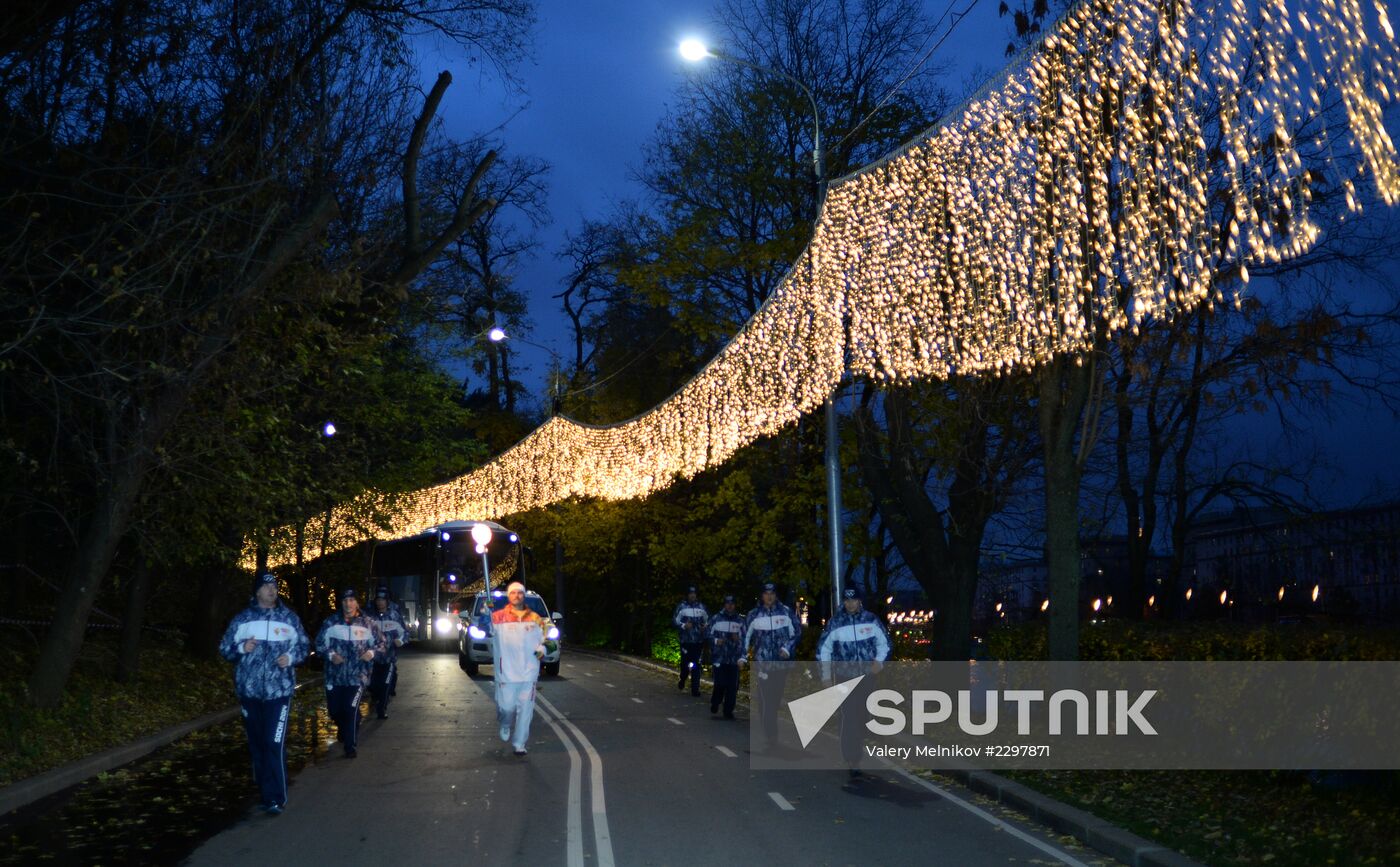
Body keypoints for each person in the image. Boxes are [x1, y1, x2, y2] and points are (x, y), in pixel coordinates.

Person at [218, 572, 309, 815]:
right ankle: (265, 792)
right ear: (257, 591)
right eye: (267, 586)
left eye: (274, 586)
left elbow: (303, 647)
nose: (272, 590)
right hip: (249, 692)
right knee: (258, 744)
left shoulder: (289, 618)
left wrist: (290, 658)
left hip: (278, 692)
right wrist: (241, 648)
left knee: (273, 742)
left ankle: (276, 797)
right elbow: (225, 649)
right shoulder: (243, 620)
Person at [816, 584, 891, 778]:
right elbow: (824, 650)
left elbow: (885, 644)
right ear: (844, 601)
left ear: (860, 601)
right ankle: (852, 759)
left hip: (867, 676)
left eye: (854, 600)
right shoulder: (835, 623)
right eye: (847, 600)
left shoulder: (871, 620)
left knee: (861, 716)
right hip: (844, 677)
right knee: (849, 715)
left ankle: (854, 748)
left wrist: (879, 663)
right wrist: (825, 676)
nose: (850, 604)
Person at [315, 588, 383, 758]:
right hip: (334, 676)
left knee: (350, 709)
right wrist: (331, 655)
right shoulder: (331, 622)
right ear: (341, 603)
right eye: (345, 600)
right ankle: (345, 726)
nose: (348, 604)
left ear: (357, 602)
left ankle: (350, 746)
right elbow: (319, 644)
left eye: (352, 600)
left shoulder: (368, 623)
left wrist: (371, 653)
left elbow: (381, 643)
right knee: (335, 711)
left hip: (357, 676)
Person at [491, 581, 549, 757]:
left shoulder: (536, 618)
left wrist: (543, 649)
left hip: (528, 672)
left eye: (520, 593)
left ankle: (520, 744)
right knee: (506, 708)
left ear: (524, 596)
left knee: (525, 711)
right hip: (506, 673)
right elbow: (485, 626)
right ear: (509, 596)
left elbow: (549, 639)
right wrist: (487, 611)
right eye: (513, 593)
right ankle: (505, 724)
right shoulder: (497, 617)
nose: (517, 595)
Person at [743, 581, 802, 747]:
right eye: (766, 594)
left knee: (774, 699)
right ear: (762, 596)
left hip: (781, 663)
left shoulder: (786, 612)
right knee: (767, 696)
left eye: (772, 593)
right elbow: (745, 637)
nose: (769, 597)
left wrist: (787, 648)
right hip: (763, 664)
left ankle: (768, 719)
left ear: (776, 595)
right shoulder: (754, 614)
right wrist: (742, 656)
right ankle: (771, 734)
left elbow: (797, 632)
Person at [368, 586, 409, 719]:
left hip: (389, 658)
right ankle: (375, 698)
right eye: (378, 600)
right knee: (373, 685)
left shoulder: (394, 616)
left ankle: (382, 709)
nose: (380, 602)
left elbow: (405, 633)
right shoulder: (369, 616)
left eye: (382, 600)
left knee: (386, 685)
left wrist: (400, 641)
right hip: (373, 659)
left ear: (387, 601)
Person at [705, 594, 745, 719]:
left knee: (732, 686)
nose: (730, 606)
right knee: (720, 683)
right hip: (719, 657)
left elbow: (746, 639)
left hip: (734, 659)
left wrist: (738, 640)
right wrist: (716, 641)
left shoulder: (739, 621)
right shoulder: (716, 618)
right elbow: (707, 634)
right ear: (724, 605)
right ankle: (716, 702)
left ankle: (728, 710)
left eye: (732, 604)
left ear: (735, 605)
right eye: (727, 603)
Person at [672, 585, 709, 696]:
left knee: (696, 664)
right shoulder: (682, 607)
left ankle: (695, 689)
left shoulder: (702, 607)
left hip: (698, 641)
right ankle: (683, 679)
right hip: (685, 642)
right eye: (690, 593)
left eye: (694, 593)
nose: (692, 595)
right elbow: (674, 621)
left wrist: (705, 627)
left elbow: (708, 621)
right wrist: (683, 626)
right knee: (685, 665)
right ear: (687, 595)